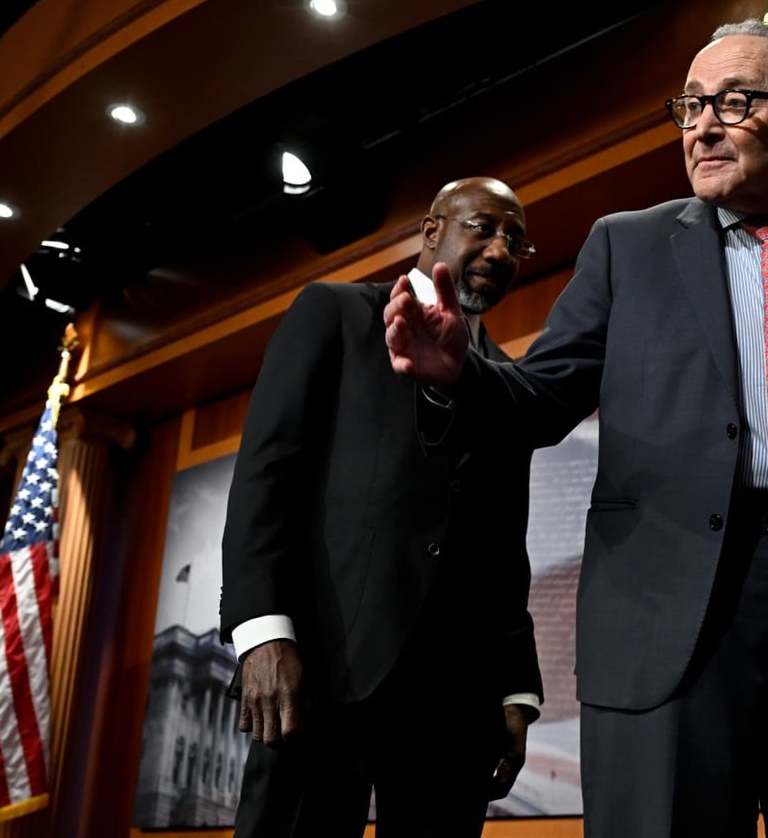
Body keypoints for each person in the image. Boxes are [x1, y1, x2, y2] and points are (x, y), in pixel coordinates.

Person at [385, 22, 768, 837]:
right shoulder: (626, 246)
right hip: (671, 616)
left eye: (733, 102)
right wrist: (461, 375)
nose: (702, 127)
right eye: (690, 106)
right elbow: (540, 398)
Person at [220, 177, 543, 837]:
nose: (500, 249)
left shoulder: (508, 383)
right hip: (322, 669)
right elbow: (265, 478)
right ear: (432, 230)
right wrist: (263, 634)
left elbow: (504, 544)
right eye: (483, 227)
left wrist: (515, 687)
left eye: (516, 241)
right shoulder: (335, 314)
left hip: (456, 697)